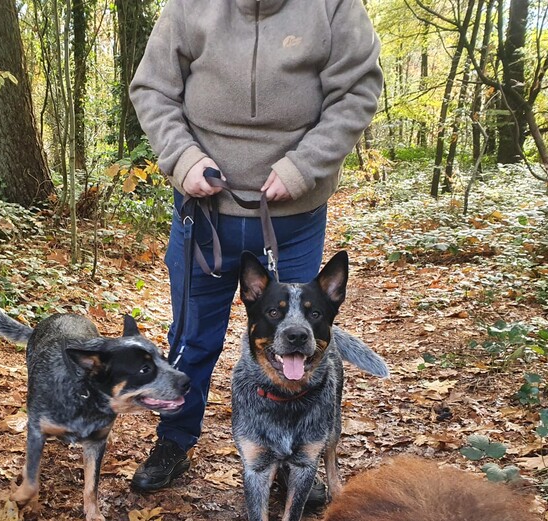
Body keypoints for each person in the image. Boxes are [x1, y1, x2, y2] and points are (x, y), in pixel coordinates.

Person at [128, 0, 383, 492]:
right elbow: (152, 89)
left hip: (294, 216)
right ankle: (174, 441)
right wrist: (183, 158)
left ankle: (293, 459)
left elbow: (356, 92)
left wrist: (303, 167)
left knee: (296, 340)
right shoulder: (187, 6)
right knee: (192, 338)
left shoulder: (334, 7)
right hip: (202, 215)